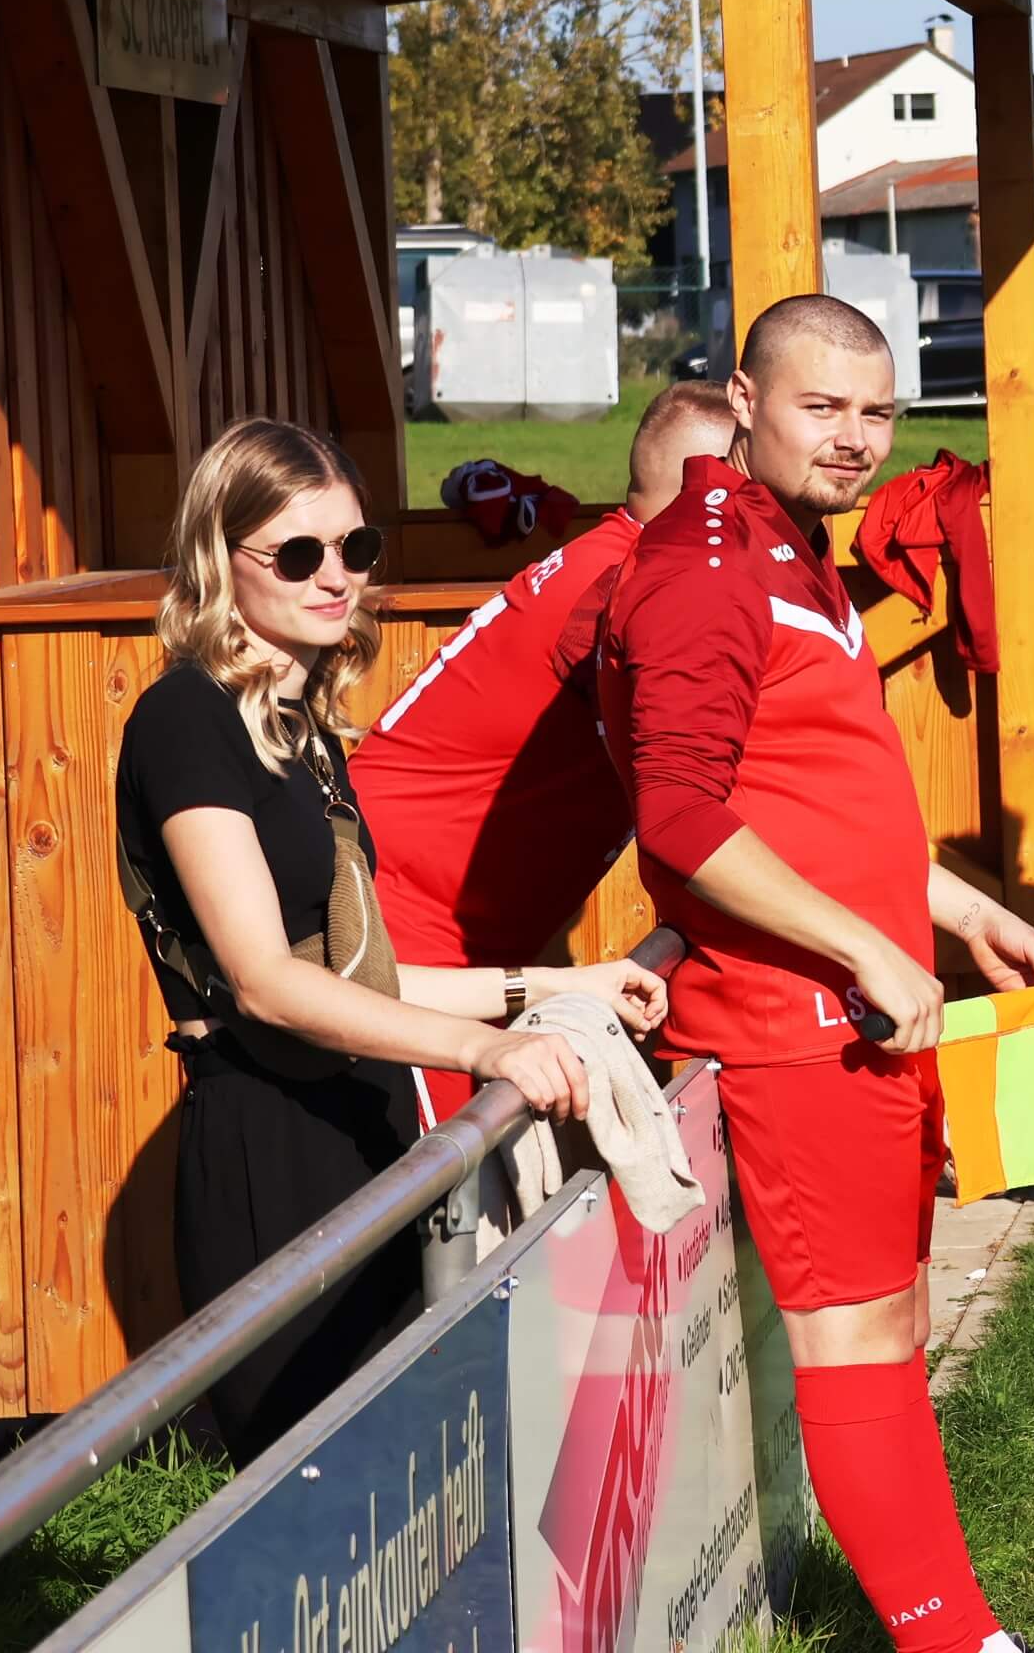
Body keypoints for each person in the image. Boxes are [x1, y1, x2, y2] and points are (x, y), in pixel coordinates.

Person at [591, 294, 1034, 1653]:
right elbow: (679, 817)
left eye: (877, 411)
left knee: (892, 1319)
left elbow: (813, 794)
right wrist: (864, 946)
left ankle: (955, 1629)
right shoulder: (708, 568)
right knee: (854, 1340)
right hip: (795, 1024)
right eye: (822, 407)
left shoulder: (790, 544)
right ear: (743, 402)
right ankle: (953, 1639)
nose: (856, 437)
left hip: (861, 1007)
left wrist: (954, 909)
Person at [114, 419, 668, 1462]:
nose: (336, 578)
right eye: (298, 554)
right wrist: (481, 1049)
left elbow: (362, 977)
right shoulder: (186, 719)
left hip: (363, 1128)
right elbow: (266, 983)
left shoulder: (300, 728)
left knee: (420, 1486)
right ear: (219, 559)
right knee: (322, 1498)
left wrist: (557, 985)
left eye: (355, 548)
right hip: (270, 1146)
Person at [353, 380, 740, 1128]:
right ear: (707, 492)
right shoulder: (630, 590)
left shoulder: (617, 559)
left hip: (440, 925)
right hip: (401, 928)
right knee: (438, 1186)